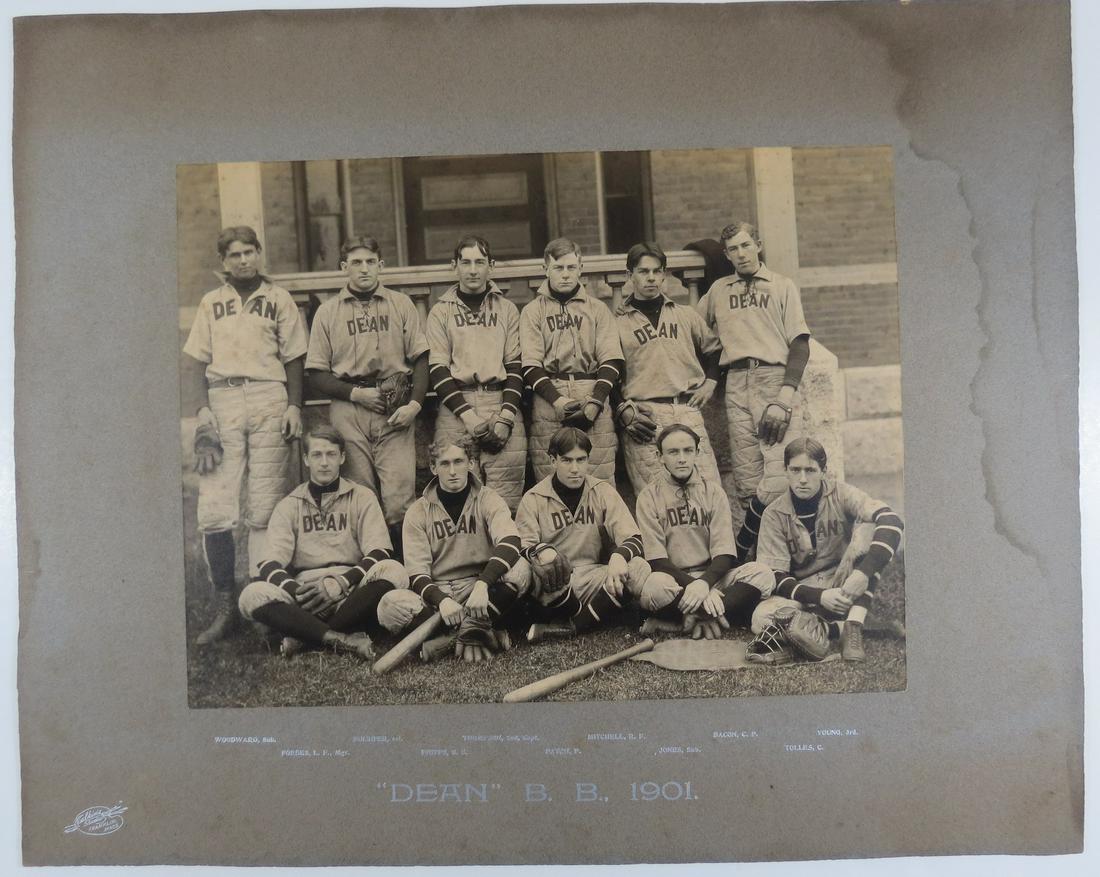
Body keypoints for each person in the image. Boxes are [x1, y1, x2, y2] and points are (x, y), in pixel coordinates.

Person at [182, 226, 308, 645]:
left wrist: (293, 406)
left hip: (270, 395)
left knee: (265, 505)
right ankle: (224, 606)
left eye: (249, 252)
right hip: (223, 399)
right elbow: (193, 364)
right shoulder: (211, 302)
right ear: (223, 262)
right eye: (233, 254)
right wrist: (202, 416)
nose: (242, 260)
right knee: (216, 507)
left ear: (259, 254)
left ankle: (260, 605)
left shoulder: (279, 300)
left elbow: (294, 358)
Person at [236, 426, 420, 660]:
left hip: (352, 592)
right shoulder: (290, 504)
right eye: (317, 455)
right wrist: (299, 592)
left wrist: (342, 582)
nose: (324, 462)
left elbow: (380, 551)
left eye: (331, 454)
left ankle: (304, 637)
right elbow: (269, 564)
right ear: (306, 459)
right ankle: (340, 638)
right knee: (251, 594)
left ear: (342, 457)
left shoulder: (361, 496)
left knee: (395, 571)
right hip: (304, 595)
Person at [305, 235, 429, 556]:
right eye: (356, 263)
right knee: (359, 496)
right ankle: (371, 575)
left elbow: (421, 358)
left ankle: (407, 575)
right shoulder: (328, 312)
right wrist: (356, 394)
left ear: (381, 265)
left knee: (400, 498)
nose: (364, 269)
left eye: (370, 262)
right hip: (349, 405)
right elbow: (316, 373)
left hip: (394, 403)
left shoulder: (400, 304)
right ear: (344, 267)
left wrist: (415, 404)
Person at [696, 222, 812, 560]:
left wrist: (785, 398)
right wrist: (712, 377)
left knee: (780, 474)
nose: (741, 254)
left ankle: (792, 556)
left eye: (746, 245)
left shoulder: (781, 286)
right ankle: (760, 560)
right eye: (733, 249)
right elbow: (696, 334)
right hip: (736, 384)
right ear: (727, 255)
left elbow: (800, 344)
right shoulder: (718, 290)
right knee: (747, 480)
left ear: (758, 245)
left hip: (773, 381)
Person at [747, 437, 904, 664]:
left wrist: (862, 574)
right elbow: (776, 576)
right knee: (760, 620)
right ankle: (842, 626)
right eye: (795, 470)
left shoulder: (842, 493)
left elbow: (891, 521)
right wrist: (820, 596)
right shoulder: (774, 513)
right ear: (785, 470)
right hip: (804, 591)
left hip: (845, 582)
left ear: (824, 471)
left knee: (869, 526)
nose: (802, 479)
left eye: (810, 470)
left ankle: (853, 623)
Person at [634, 424, 776, 639]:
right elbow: (657, 560)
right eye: (673, 452)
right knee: (654, 586)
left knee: (763, 573)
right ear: (660, 456)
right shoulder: (648, 496)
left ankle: (690, 619)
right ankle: (712, 613)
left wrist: (705, 584)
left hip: (712, 576)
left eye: (688, 451)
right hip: (674, 581)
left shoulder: (713, 492)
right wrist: (697, 587)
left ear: (697, 453)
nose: (681, 458)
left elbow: (725, 555)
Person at [399, 436, 531, 662]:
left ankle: (453, 637)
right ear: (433, 467)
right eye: (445, 463)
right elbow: (416, 573)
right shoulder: (417, 511)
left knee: (521, 568)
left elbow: (510, 542)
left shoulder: (488, 498)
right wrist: (442, 600)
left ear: (471, 463)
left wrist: (483, 584)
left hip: (480, 589)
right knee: (390, 605)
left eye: (459, 462)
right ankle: (484, 632)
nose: (453, 471)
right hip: (440, 593)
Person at [515, 427, 652, 641]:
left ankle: (573, 626)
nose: (575, 469)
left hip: (593, 577)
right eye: (567, 460)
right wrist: (542, 551)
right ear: (553, 460)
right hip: (555, 583)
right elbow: (523, 548)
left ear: (588, 459)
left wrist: (618, 556)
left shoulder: (602, 490)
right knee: (538, 567)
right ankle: (591, 616)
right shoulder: (534, 497)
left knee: (638, 567)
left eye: (581, 460)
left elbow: (634, 538)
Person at [613, 242, 725, 496]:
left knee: (707, 493)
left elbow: (715, 350)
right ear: (629, 276)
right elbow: (609, 373)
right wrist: (624, 411)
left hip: (687, 408)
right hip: (644, 415)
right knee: (657, 500)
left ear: (664, 274)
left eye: (656, 271)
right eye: (643, 271)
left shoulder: (685, 315)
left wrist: (711, 382)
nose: (650, 277)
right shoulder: (617, 323)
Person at [426, 235, 527, 512]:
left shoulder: (506, 309)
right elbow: (437, 368)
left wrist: (506, 417)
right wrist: (467, 416)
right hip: (456, 408)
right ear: (454, 266)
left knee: (506, 500)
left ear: (490, 266)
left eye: (479, 262)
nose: (473, 269)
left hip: (499, 401)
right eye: (466, 262)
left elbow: (516, 365)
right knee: (457, 494)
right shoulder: (440, 312)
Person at [520, 237, 624, 481]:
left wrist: (595, 402)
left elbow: (611, 360)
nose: (565, 275)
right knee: (551, 477)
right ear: (545, 269)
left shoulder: (598, 309)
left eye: (571, 267)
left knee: (599, 478)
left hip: (592, 393)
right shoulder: (533, 311)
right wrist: (557, 401)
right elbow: (530, 365)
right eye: (558, 268)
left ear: (581, 269)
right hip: (549, 397)